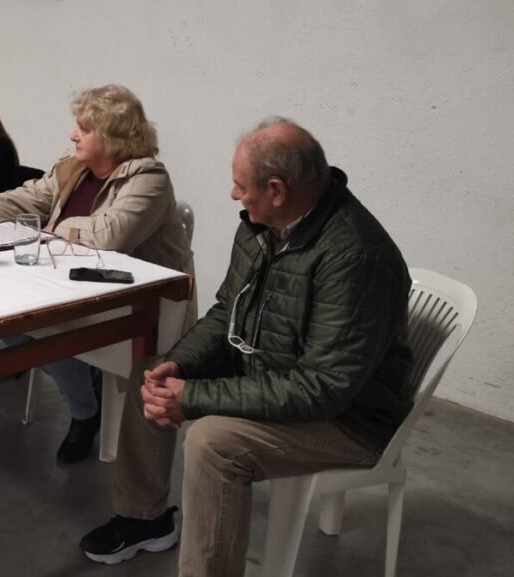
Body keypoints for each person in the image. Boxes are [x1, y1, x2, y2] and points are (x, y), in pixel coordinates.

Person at [78, 117, 415, 577]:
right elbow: (227, 312)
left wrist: (194, 397)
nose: (233, 194)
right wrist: (179, 365)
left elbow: (322, 388)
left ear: (276, 190)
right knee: (149, 373)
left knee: (213, 443)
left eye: (240, 185)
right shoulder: (264, 226)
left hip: (350, 419)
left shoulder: (356, 257)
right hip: (272, 373)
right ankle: (144, 519)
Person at [0, 84, 197, 464]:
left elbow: (109, 236)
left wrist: (55, 228)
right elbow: (33, 197)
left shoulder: (149, 178)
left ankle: (84, 408)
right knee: (3, 320)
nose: (73, 135)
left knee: (41, 325)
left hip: (137, 305)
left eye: (84, 129)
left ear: (112, 136)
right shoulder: (75, 166)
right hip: (73, 284)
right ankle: (85, 405)